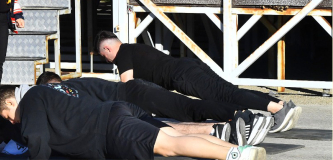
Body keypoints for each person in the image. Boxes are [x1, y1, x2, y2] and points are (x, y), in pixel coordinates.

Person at [95, 30, 302, 134]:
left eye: (104, 56)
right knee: (228, 90)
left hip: (182, 75)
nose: (108, 60)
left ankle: (276, 109)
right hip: (187, 65)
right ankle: (281, 105)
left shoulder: (122, 54)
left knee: (225, 94)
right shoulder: (135, 47)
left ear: (107, 49)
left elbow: (128, 85)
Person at [0, 85, 267, 160]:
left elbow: (37, 138)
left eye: (9, 117)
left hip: (108, 127)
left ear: (9, 103)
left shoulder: (30, 100)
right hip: (117, 111)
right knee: (170, 134)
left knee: (169, 146)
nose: (15, 122)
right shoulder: (52, 90)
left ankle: (234, 155)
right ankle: (231, 149)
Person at [35, 72, 271, 146]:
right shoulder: (78, 81)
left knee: (188, 108)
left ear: (50, 86)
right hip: (136, 92)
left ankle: (243, 115)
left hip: (134, 96)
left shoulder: (66, 90)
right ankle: (221, 129)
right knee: (178, 115)